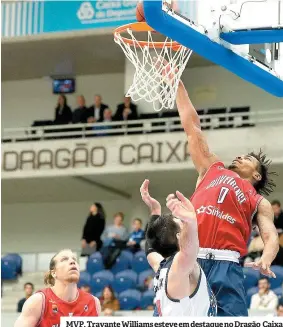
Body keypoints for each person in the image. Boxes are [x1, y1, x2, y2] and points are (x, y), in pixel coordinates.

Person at [173, 77, 279, 316]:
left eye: (247, 159)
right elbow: (192, 128)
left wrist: (266, 258)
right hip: (192, 258)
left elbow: (270, 235)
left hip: (227, 265)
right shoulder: (211, 168)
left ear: (257, 175)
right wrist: (178, 84)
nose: (240, 157)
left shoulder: (258, 201)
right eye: (240, 155)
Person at [140, 179, 217, 317]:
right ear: (178, 236)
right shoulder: (179, 266)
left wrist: (155, 210)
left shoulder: (162, 266)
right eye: (181, 222)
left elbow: (150, 247)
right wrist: (191, 221)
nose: (184, 222)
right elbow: (188, 250)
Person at [14, 249, 100, 327]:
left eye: (74, 259)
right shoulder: (38, 301)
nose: (72, 261)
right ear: (54, 273)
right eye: (64, 259)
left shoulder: (93, 302)